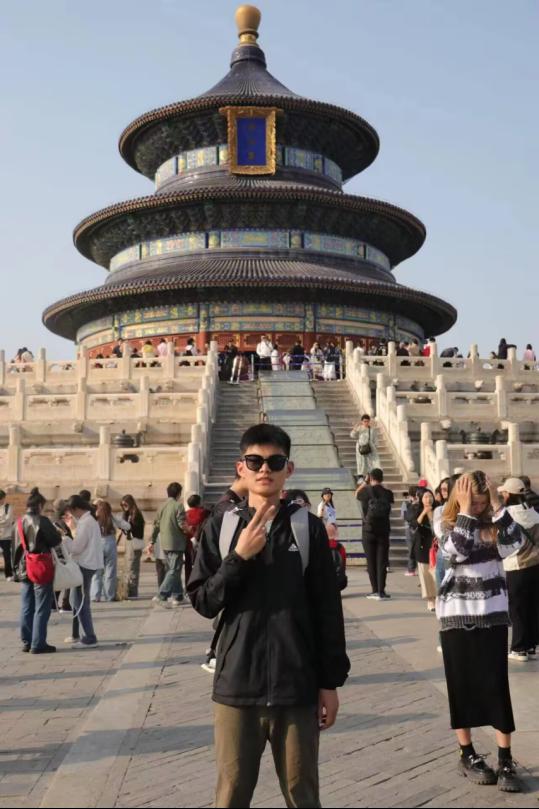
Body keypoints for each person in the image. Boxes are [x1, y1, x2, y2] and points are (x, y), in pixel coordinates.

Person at [188, 423, 349, 808]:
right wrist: (238, 558)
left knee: (302, 793)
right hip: (236, 685)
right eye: (255, 461)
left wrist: (330, 683)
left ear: (288, 469)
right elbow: (203, 600)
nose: (264, 469)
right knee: (231, 793)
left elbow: (328, 610)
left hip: (297, 684)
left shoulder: (307, 528)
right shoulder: (222, 526)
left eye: (274, 462)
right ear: (240, 468)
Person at [437, 473, 525, 792]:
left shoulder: (494, 525)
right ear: (459, 499)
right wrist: (465, 512)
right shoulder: (445, 522)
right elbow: (456, 551)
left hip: (492, 616)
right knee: (461, 687)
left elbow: (516, 543)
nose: (477, 507)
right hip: (457, 618)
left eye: (481, 502)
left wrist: (499, 506)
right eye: (471, 501)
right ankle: (467, 754)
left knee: (496, 686)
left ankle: (505, 758)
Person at [13, 488, 62, 653]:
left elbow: (14, 548)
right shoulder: (42, 521)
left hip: (24, 566)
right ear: (40, 505)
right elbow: (55, 540)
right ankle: (38, 643)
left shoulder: (18, 522)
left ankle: (27, 641)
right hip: (40, 566)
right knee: (42, 606)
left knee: (27, 606)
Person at [497, 478, 539, 661]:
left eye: (503, 492)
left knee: (517, 608)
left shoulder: (508, 516)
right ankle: (531, 645)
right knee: (532, 606)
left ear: (508, 494)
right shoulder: (533, 512)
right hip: (535, 564)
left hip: (516, 565)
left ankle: (519, 648)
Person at [63, 494, 103, 647]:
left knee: (80, 602)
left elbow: (77, 548)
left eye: (72, 512)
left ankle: (90, 637)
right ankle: (77, 634)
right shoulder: (88, 520)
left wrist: (65, 539)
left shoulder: (86, 523)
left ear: (76, 509)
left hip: (85, 564)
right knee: (77, 600)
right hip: (89, 563)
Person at [356, 468, 394, 600]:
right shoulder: (388, 493)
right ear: (382, 478)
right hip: (383, 531)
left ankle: (374, 591)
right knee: (382, 561)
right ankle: (381, 591)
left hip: (368, 530)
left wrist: (364, 482)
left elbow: (356, 495)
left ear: (370, 478)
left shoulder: (365, 491)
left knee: (371, 561)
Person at [149, 482, 188, 606]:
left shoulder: (161, 506)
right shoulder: (178, 506)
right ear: (179, 493)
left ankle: (178, 596)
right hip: (176, 543)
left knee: (174, 570)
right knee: (174, 570)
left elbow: (156, 526)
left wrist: (152, 541)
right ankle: (161, 594)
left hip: (164, 543)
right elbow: (181, 524)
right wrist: (190, 529)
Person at [91, 500, 130, 602]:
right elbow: (127, 526)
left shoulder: (94, 519)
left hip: (97, 544)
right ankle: (109, 595)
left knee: (97, 572)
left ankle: (95, 596)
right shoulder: (112, 518)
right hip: (110, 543)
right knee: (110, 571)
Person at [409, 488, 437, 611]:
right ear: (421, 499)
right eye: (425, 497)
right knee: (425, 574)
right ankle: (430, 599)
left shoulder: (438, 510)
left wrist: (431, 515)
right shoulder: (416, 509)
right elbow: (414, 525)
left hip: (436, 546)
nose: (428, 499)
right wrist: (424, 512)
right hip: (422, 546)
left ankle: (438, 597)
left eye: (430, 496)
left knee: (436, 573)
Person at [121, 494, 146, 598]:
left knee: (133, 567)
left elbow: (138, 530)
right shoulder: (127, 514)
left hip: (135, 542)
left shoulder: (137, 514)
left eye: (125, 505)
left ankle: (133, 591)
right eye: (122, 505)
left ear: (130, 503)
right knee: (128, 567)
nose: (124, 507)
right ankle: (129, 590)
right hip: (129, 542)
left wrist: (129, 526)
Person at [184, 495, 210, 584]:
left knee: (188, 564)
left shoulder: (185, 514)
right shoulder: (203, 512)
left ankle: (188, 583)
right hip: (200, 541)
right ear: (198, 503)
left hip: (188, 542)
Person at [401, 486, 417, 576]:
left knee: (411, 548)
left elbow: (403, 516)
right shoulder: (419, 502)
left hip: (409, 527)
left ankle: (411, 569)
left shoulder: (406, 504)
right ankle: (413, 568)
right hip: (417, 527)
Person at [0, 490, 14, 580]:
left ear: (4, 498)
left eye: (1, 499)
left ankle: (8, 575)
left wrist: (3, 521)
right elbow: (4, 521)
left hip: (6, 536)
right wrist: (2, 520)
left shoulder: (8, 507)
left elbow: (8, 521)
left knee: (7, 556)